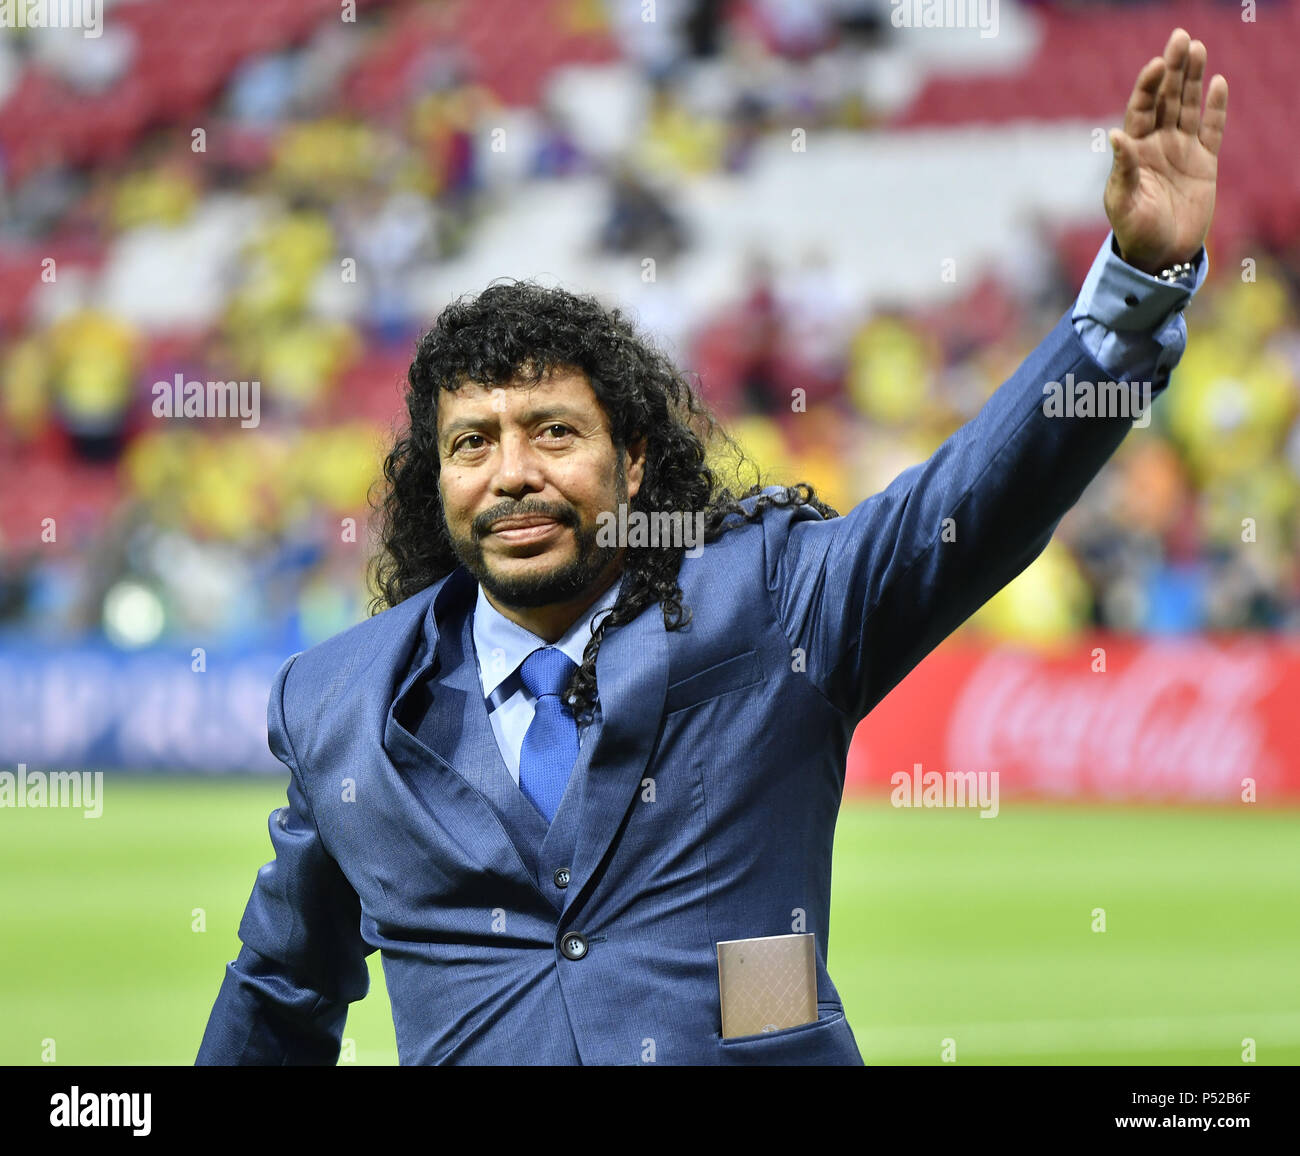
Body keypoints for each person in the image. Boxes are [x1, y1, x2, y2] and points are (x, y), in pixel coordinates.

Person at [197, 30, 1227, 1065]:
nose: (511, 472)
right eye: (473, 443)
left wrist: (1134, 287)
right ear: (439, 481)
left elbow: (966, 509)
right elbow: (282, 990)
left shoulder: (772, 602)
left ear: (634, 462)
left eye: (554, 431)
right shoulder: (342, 705)